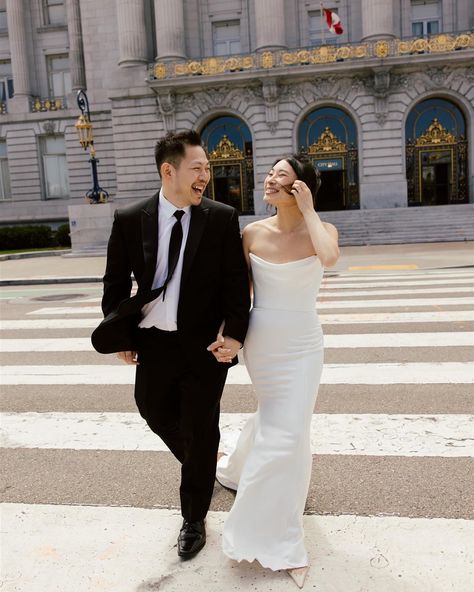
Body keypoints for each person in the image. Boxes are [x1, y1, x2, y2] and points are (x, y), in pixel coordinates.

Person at [97, 130, 250, 560]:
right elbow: (114, 284)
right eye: (197, 168)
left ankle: (194, 518)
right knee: (151, 408)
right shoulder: (131, 219)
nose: (206, 175)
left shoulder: (220, 217)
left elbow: (236, 284)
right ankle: (202, 462)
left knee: (201, 428)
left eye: (208, 168)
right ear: (170, 171)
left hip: (203, 348)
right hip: (153, 343)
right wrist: (122, 334)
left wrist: (235, 334)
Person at [215, 155, 339, 589]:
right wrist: (227, 336)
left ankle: (275, 530)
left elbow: (328, 259)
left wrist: (308, 211)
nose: (269, 179)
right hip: (264, 343)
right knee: (282, 427)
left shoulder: (322, 232)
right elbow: (238, 294)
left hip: (305, 344)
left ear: (301, 186)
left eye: (281, 175)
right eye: (269, 173)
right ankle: (272, 530)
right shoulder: (251, 233)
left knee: (289, 430)